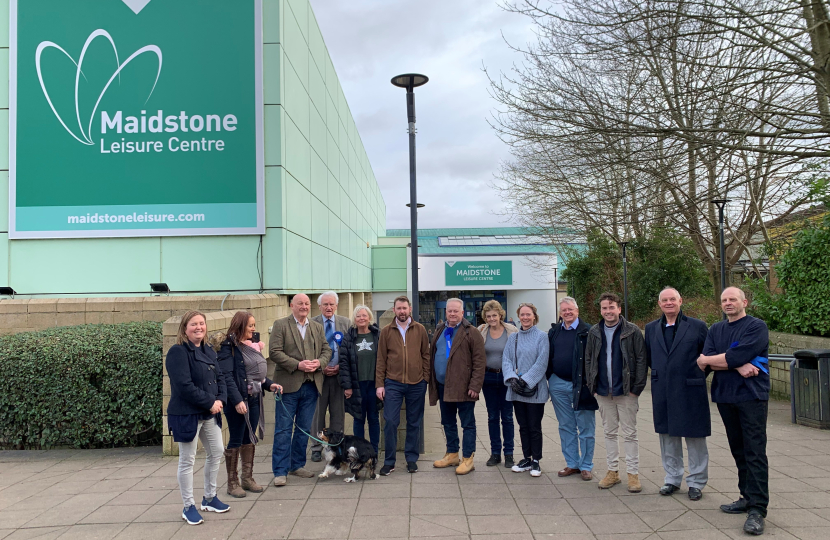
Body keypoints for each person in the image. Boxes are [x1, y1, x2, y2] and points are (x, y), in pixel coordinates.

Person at [697, 286, 770, 536]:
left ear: (744, 302)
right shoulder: (716, 329)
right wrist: (735, 364)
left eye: (733, 299)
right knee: (738, 451)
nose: (728, 303)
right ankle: (746, 497)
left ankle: (758, 510)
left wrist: (726, 360)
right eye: (724, 300)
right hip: (726, 397)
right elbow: (702, 360)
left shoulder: (756, 327)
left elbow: (735, 355)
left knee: (755, 452)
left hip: (752, 397)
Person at [645, 287, 710, 501]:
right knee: (668, 436)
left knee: (695, 437)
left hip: (690, 390)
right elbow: (649, 358)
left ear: (680, 301)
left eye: (673, 299)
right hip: (662, 389)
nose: (669, 303)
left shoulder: (698, 326)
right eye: (665, 300)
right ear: (659, 304)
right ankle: (672, 478)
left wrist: (696, 376)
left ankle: (696, 482)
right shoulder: (652, 329)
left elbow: (707, 356)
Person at [166, 310, 230, 525]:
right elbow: (184, 386)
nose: (199, 328)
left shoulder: (209, 350)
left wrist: (220, 399)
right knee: (187, 460)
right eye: (194, 324)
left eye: (201, 324)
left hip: (209, 412)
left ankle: (209, 498)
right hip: (187, 414)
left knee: (217, 452)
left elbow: (220, 377)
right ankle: (188, 506)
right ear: (185, 328)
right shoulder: (177, 353)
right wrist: (210, 402)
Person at [584, 292, 647, 493]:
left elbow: (641, 360)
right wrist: (592, 387)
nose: (608, 311)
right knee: (609, 433)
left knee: (630, 434)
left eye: (611, 307)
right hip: (603, 391)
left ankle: (633, 474)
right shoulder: (594, 331)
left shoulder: (632, 331)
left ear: (619, 309)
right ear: (600, 310)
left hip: (627, 391)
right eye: (604, 308)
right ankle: (613, 472)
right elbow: (589, 360)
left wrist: (636, 389)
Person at [217, 311, 282, 498]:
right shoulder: (227, 347)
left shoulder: (249, 344)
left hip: (254, 398)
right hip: (237, 401)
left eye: (254, 325)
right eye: (250, 326)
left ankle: (247, 478)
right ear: (240, 326)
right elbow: (227, 377)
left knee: (249, 437)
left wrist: (270, 384)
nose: (254, 329)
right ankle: (232, 482)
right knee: (236, 438)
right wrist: (237, 400)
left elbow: (256, 374)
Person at [269, 293, 331, 487]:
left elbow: (327, 350)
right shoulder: (281, 325)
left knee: (304, 429)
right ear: (291, 305)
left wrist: (318, 363)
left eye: (306, 303)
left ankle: (297, 465)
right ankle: (280, 471)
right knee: (283, 430)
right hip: (288, 386)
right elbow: (274, 352)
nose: (304, 306)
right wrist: (298, 365)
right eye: (300, 303)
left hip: (311, 386)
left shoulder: (317, 327)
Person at [429, 298, 487, 475]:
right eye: (449, 311)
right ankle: (452, 453)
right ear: (445, 312)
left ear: (462, 313)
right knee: (448, 422)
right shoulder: (440, 330)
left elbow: (479, 361)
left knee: (467, 424)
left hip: (464, 388)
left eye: (456, 311)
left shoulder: (471, 332)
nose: (452, 313)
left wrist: (475, 386)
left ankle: (468, 458)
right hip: (443, 386)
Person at [376, 296, 430, 475]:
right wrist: (379, 384)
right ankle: (389, 461)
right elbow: (381, 359)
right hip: (393, 383)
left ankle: (411, 459)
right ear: (394, 310)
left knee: (414, 422)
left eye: (404, 308)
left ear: (410, 309)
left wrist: (425, 379)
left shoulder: (420, 329)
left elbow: (426, 355)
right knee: (390, 421)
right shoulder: (386, 331)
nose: (402, 311)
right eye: (399, 308)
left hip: (417, 383)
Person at [546, 297, 596, 481]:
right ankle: (572, 463)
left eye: (570, 309)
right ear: (560, 313)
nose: (567, 313)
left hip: (581, 385)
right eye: (564, 310)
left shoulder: (589, 331)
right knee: (566, 426)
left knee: (585, 427)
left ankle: (586, 465)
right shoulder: (554, 332)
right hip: (557, 384)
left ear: (577, 311)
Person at [502, 303, 549, 478]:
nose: (525, 317)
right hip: (517, 390)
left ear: (534, 316)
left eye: (528, 314)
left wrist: (525, 380)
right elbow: (506, 359)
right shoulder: (513, 338)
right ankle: (526, 458)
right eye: (522, 315)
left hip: (534, 390)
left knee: (534, 426)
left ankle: (536, 460)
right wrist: (512, 378)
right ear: (518, 317)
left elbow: (542, 362)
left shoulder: (541, 337)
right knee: (523, 426)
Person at [476, 299, 518, 468]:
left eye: (494, 315)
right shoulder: (481, 331)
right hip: (488, 378)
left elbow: (518, 353)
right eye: (488, 316)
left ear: (501, 315)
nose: (492, 319)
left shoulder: (512, 331)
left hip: (506, 378)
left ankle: (509, 453)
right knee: (492, 417)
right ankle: (495, 453)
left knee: (507, 417)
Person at [310, 292, 351, 462]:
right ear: (319, 306)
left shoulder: (346, 323)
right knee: (317, 413)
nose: (328, 307)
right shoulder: (312, 323)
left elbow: (350, 349)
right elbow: (309, 350)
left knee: (338, 413)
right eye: (325, 304)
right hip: (319, 376)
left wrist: (341, 366)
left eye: (331, 304)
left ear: (336, 306)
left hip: (339, 376)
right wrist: (321, 366)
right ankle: (316, 447)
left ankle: (336, 445)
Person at [339, 304, 381, 453]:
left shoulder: (377, 335)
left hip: (374, 384)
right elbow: (343, 363)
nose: (361, 318)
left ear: (369, 317)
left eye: (364, 315)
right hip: (357, 385)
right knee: (358, 419)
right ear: (354, 319)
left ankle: (374, 451)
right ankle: (359, 451)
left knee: (374, 419)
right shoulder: (349, 338)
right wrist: (347, 386)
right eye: (358, 316)